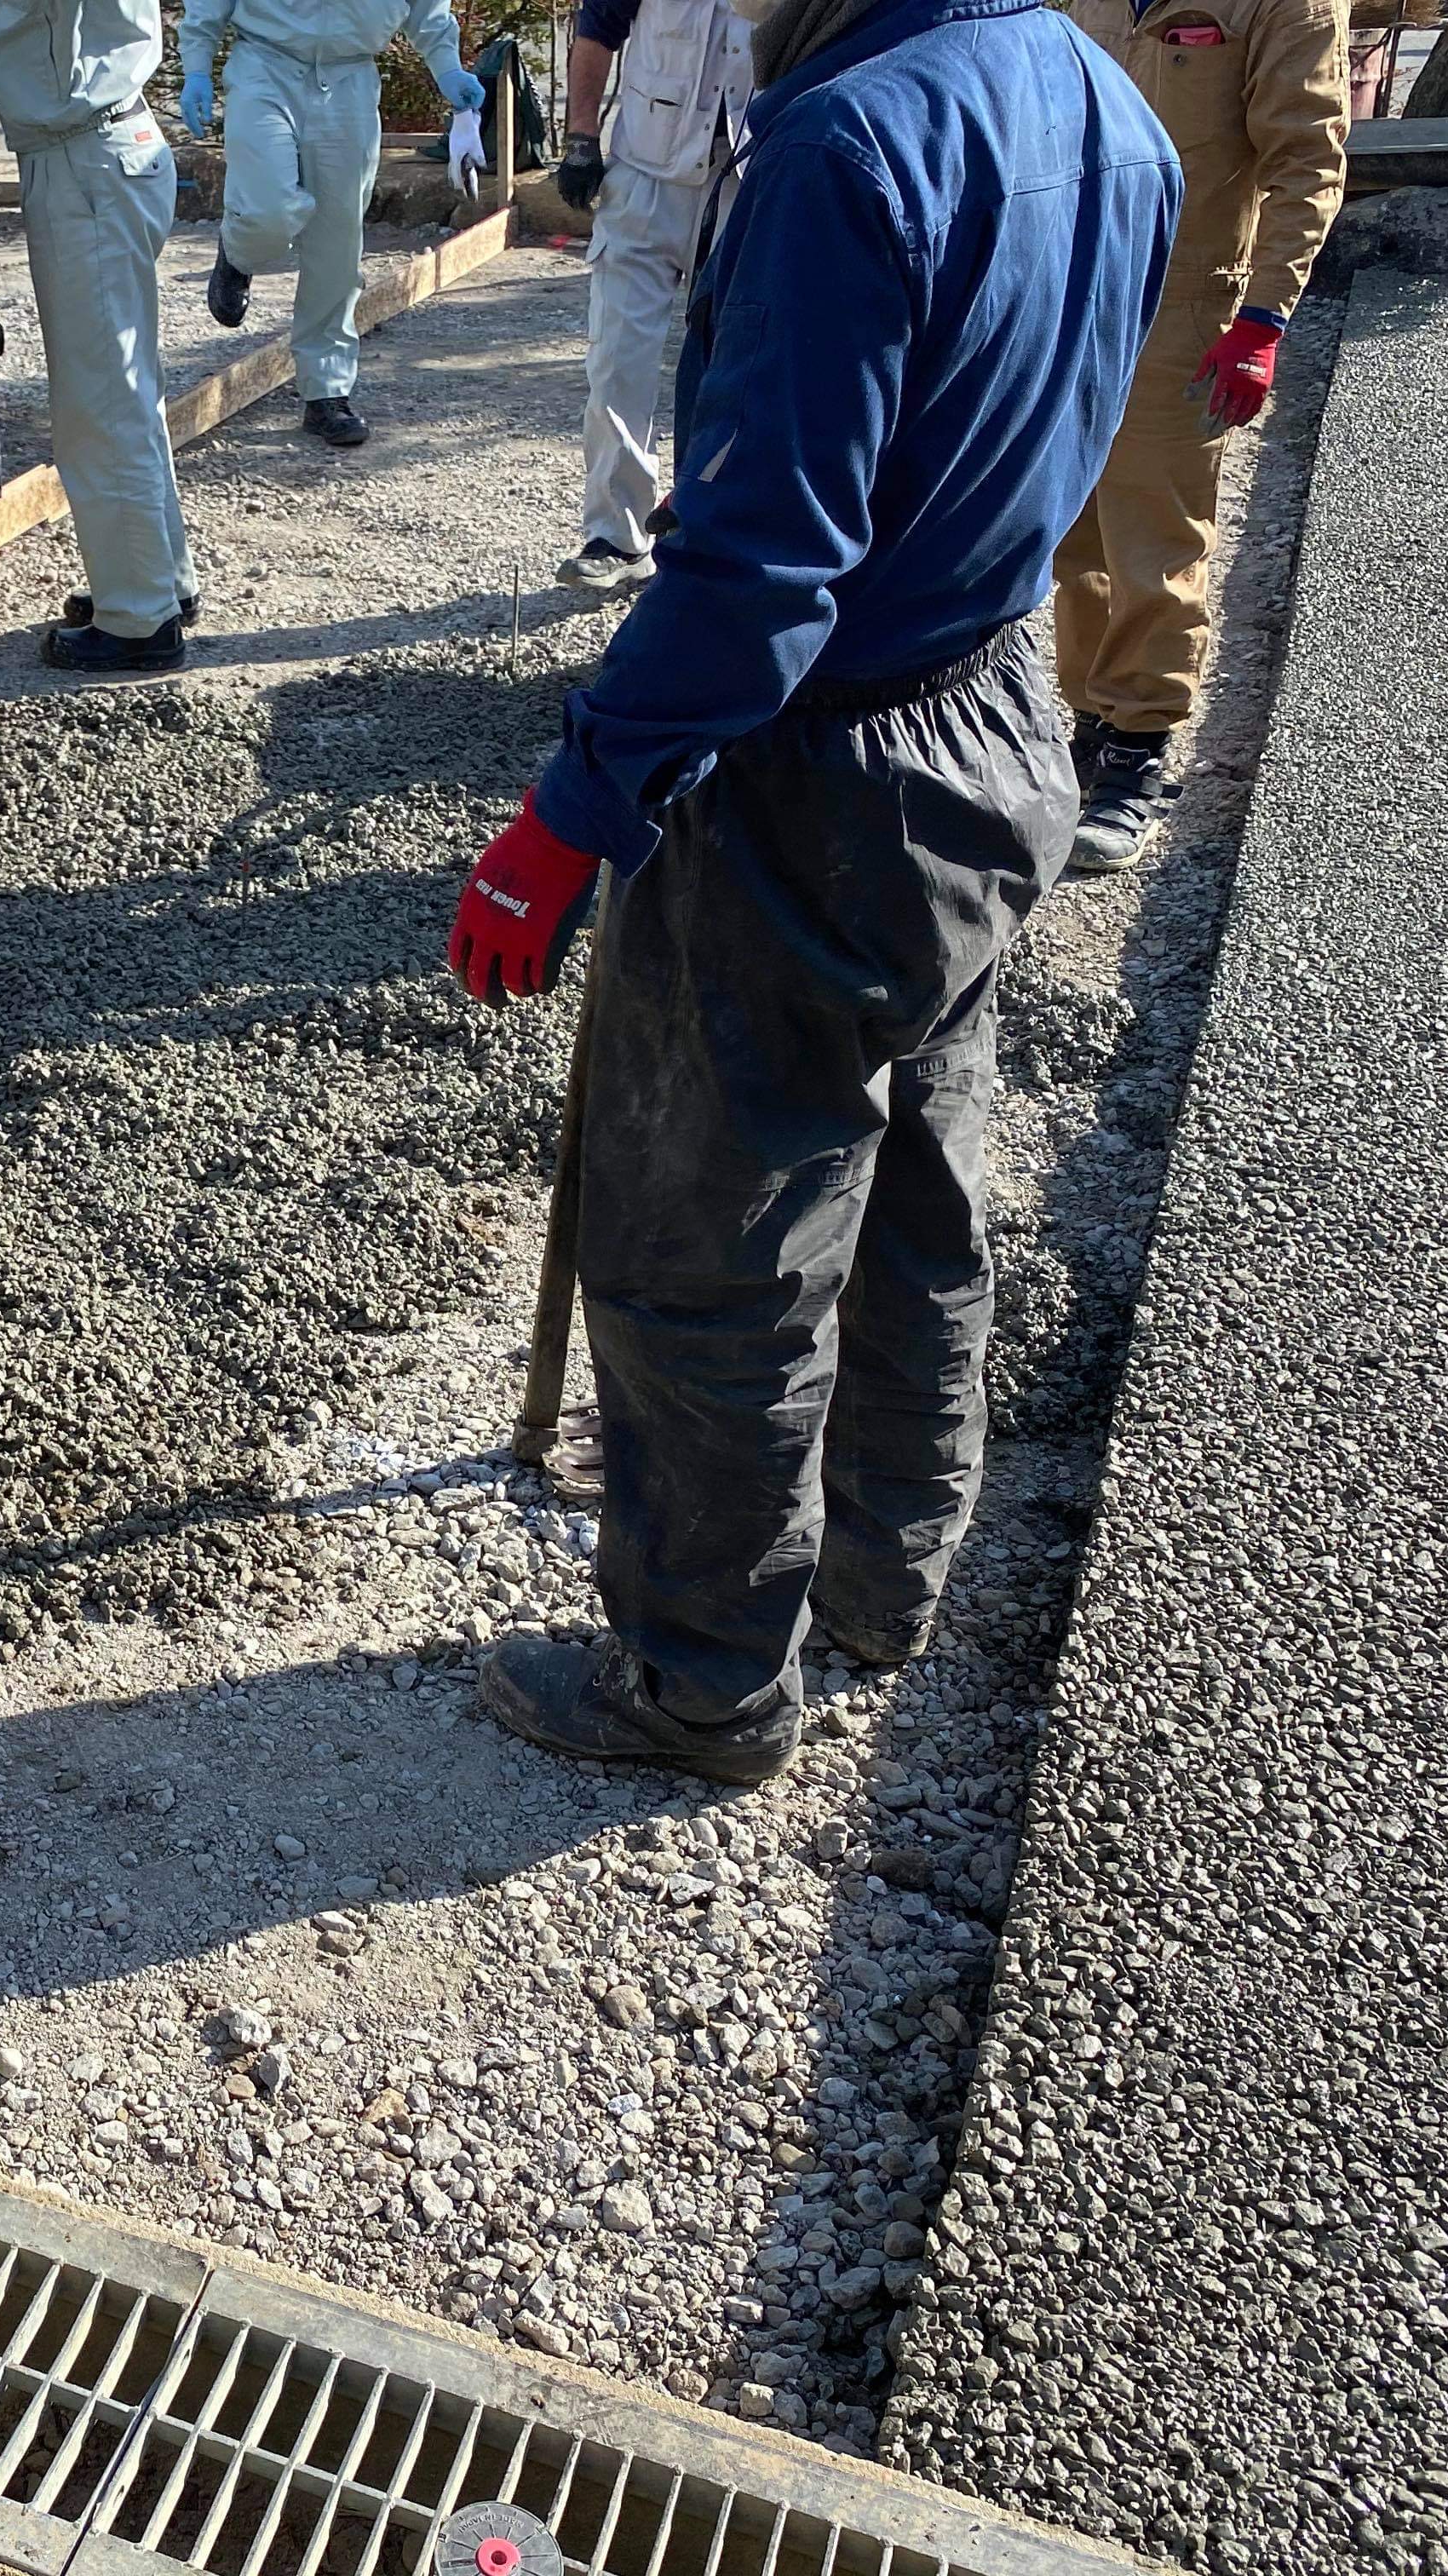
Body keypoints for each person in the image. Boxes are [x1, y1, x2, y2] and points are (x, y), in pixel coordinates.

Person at [440, 0, 1176, 1784]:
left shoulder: (851, 147)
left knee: (714, 1253)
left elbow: (762, 578)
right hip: (996, 717)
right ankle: (878, 1585)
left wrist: (575, 809)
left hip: (826, 777)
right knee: (923, 1189)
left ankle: (699, 1682)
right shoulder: (1102, 99)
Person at [1051, 0, 1345, 870]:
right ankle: (1092, 721)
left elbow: (1308, 155)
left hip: (1184, 302)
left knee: (1156, 531)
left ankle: (1138, 750)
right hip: (1068, 287)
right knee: (1074, 530)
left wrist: (1262, 320)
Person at [0, 0, 201, 673]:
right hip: (104, 145)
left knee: (103, 401)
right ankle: (159, 581)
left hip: (84, 159)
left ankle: (139, 618)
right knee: (125, 388)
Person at [181, 0, 481, 449]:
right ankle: (240, 250)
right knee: (267, 206)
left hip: (350, 81)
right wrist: (197, 68)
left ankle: (327, 391)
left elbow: (428, 10)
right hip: (265, 66)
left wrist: (448, 69)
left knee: (336, 243)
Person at [548, 0, 751, 594]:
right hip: (646, 172)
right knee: (617, 360)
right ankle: (617, 536)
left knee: (734, 367)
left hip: (749, 176)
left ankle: (704, 536)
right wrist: (581, 137)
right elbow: (600, 26)